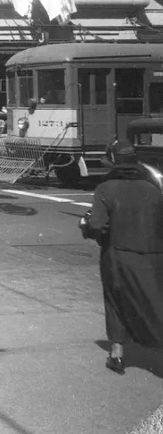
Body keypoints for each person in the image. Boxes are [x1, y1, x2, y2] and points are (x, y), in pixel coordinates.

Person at [82, 143, 163, 375]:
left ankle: (117, 354)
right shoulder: (153, 189)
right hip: (155, 256)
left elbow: (97, 224)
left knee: (116, 299)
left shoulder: (106, 188)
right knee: (155, 301)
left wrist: (85, 226)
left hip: (118, 255)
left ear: (114, 162)